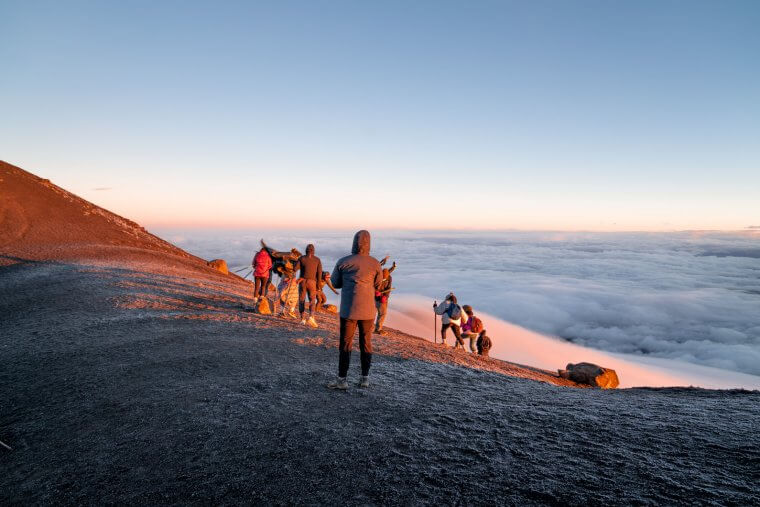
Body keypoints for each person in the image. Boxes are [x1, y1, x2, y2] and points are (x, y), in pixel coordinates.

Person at [328, 230, 383, 390]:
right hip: (368, 312)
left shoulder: (343, 261)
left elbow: (335, 283)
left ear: (354, 242)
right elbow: (378, 286)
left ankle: (342, 380)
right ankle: (364, 378)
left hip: (348, 310)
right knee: (366, 343)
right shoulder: (375, 264)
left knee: (345, 344)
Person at [374, 260, 396, 335]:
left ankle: (378, 329)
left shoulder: (389, 277)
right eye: (382, 278)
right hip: (374, 298)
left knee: (382, 314)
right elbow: (371, 286)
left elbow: (388, 288)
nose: (383, 279)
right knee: (371, 313)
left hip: (383, 299)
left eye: (385, 279)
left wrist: (385, 296)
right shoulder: (377, 276)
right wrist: (375, 292)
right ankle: (368, 328)